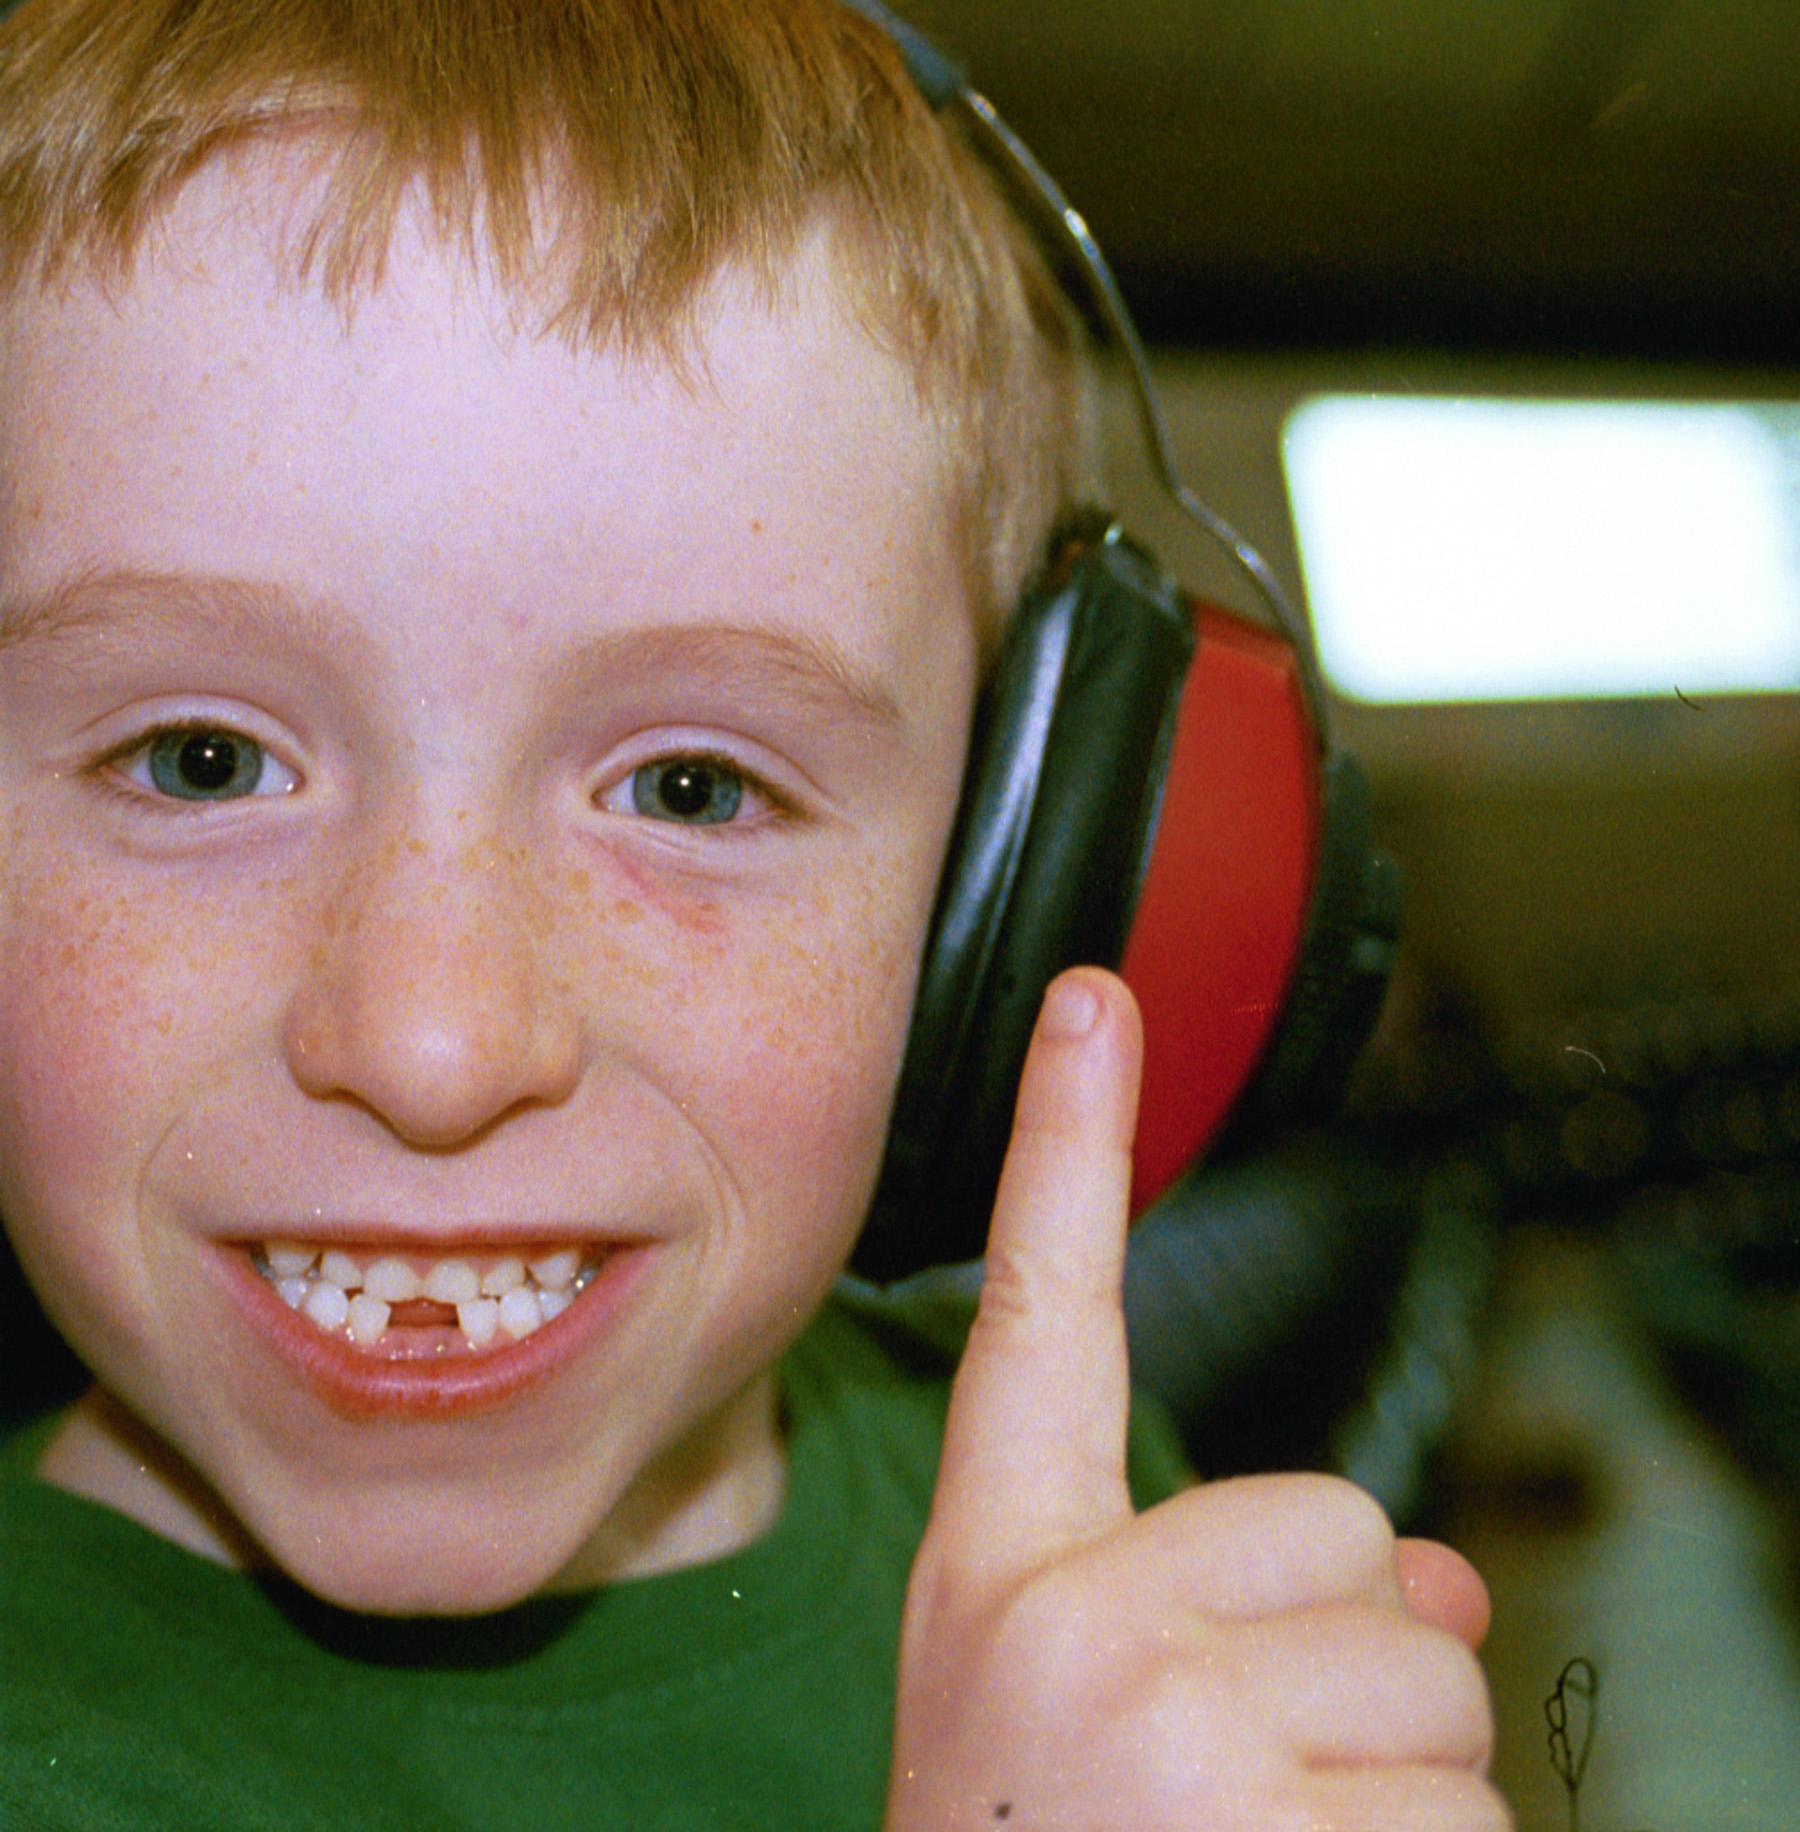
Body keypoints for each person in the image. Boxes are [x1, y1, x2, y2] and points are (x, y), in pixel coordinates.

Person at [0, 1, 1510, 1826]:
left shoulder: (1053, 1496)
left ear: (1005, 901)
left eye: (692, 790)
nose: (432, 1043)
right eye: (198, 761)